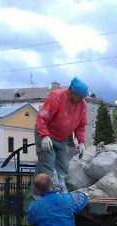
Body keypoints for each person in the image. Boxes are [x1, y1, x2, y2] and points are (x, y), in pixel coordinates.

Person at [26, 76, 88, 204]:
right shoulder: (57, 97)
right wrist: (44, 136)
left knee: (63, 166)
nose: (82, 100)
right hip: (46, 133)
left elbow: (81, 125)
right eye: (80, 97)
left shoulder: (82, 104)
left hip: (61, 138)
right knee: (48, 166)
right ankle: (50, 197)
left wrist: (81, 142)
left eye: (83, 97)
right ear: (71, 91)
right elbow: (42, 117)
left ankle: (57, 192)